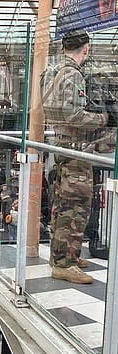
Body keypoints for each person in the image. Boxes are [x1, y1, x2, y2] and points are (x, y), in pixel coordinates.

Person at [41, 29, 112, 284]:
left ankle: (63, 254)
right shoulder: (73, 74)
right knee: (76, 207)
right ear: (86, 49)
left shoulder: (50, 71)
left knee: (61, 205)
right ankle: (65, 264)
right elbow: (75, 116)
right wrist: (104, 119)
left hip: (62, 144)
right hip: (76, 147)